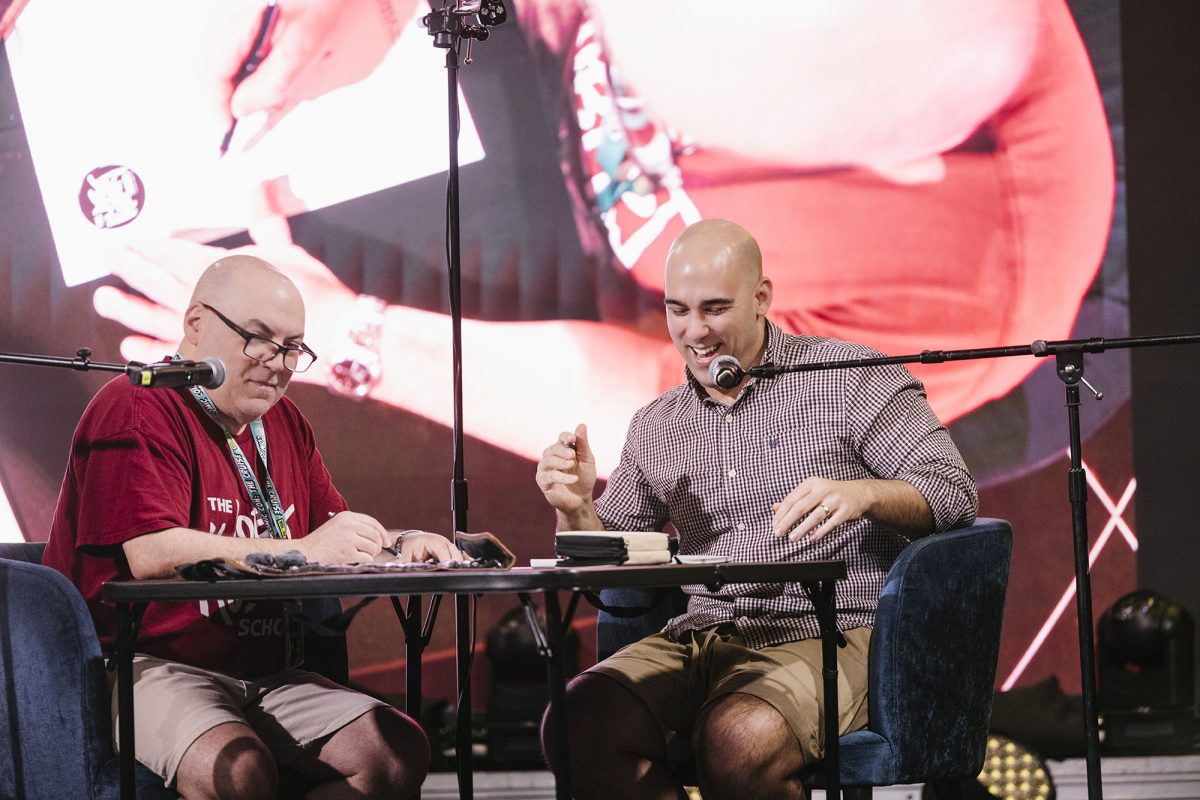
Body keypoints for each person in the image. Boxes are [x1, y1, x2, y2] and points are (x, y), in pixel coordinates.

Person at [533, 219, 979, 799]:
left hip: (832, 631)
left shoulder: (849, 379)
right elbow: (616, 569)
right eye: (677, 310)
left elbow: (954, 492)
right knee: (576, 726)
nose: (694, 331)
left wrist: (864, 493)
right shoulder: (656, 424)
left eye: (715, 309)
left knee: (736, 740)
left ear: (762, 297)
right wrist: (576, 510)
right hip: (703, 636)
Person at [41, 254, 462, 799]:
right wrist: (301, 551)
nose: (278, 363)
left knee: (395, 752)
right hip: (144, 662)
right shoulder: (138, 405)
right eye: (259, 339)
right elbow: (150, 552)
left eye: (293, 347)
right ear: (196, 324)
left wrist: (403, 544)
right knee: (239, 773)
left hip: (264, 673)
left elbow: (332, 534)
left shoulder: (284, 422)